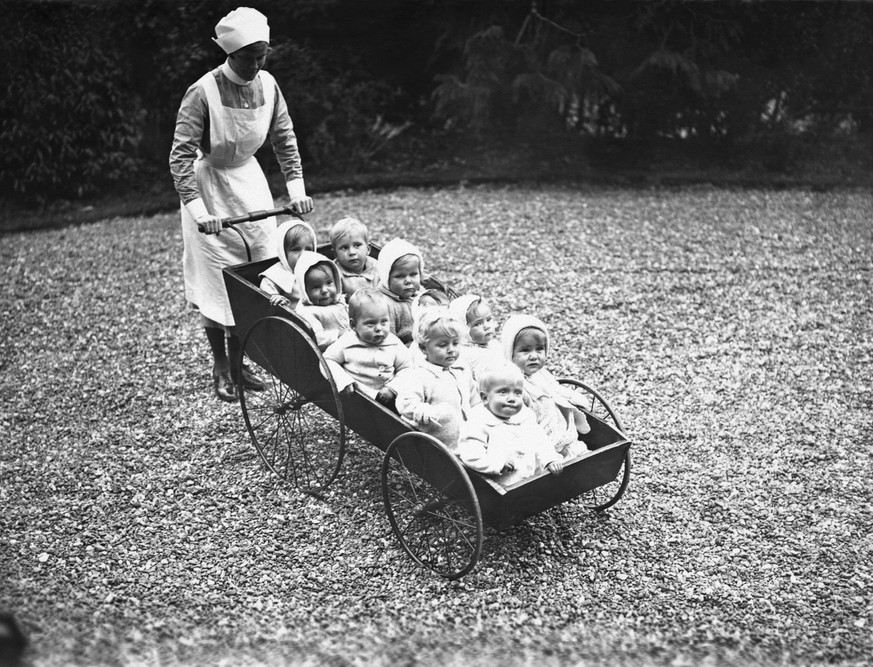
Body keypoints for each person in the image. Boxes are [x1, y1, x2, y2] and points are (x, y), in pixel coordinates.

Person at [169, 7, 313, 403]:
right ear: (230, 53)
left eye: (262, 55)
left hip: (249, 182)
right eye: (248, 57)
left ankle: (242, 360)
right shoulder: (203, 92)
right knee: (219, 279)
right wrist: (200, 213)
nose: (255, 64)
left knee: (258, 269)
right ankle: (222, 366)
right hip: (210, 187)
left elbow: (284, 138)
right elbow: (180, 156)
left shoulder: (269, 84)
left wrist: (296, 189)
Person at [459, 363, 564, 488]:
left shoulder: (525, 416)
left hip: (530, 477)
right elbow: (471, 455)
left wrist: (550, 459)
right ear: (485, 398)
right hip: (501, 483)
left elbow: (540, 440)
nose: (512, 398)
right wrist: (497, 463)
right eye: (503, 392)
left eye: (518, 393)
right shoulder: (478, 422)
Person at [502, 314, 591, 460]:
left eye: (539, 349)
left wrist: (574, 397)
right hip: (537, 433)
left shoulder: (542, 374)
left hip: (556, 423)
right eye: (525, 350)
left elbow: (555, 387)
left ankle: (572, 450)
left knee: (571, 442)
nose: (534, 356)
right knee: (546, 454)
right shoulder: (512, 383)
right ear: (510, 353)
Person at [393, 311, 480, 453]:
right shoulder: (420, 375)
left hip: (465, 431)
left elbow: (474, 397)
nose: (451, 350)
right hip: (437, 436)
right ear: (423, 348)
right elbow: (404, 402)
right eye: (442, 345)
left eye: (455, 343)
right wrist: (425, 412)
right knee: (446, 414)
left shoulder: (461, 369)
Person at [324, 288, 413, 403]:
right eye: (370, 323)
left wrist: (393, 388)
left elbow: (407, 367)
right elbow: (327, 361)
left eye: (384, 321)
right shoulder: (347, 342)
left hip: (388, 398)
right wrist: (343, 382)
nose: (379, 328)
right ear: (353, 325)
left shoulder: (393, 342)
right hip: (358, 397)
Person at [294, 251, 350, 350]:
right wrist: (338, 335)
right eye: (316, 287)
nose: (324, 290)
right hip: (330, 351)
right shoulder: (308, 312)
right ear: (304, 290)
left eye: (329, 283)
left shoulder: (338, 301)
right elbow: (316, 338)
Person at [258, 219, 317, 309]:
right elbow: (268, 296)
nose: (303, 254)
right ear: (283, 253)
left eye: (308, 249)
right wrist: (277, 298)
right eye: (296, 249)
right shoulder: (274, 276)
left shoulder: (318, 268)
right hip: (296, 317)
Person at [376, 238, 424, 346]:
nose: (408, 281)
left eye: (413, 274)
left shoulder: (421, 294)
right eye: (400, 276)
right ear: (386, 278)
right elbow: (389, 339)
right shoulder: (385, 304)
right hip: (404, 349)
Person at [449, 293, 502, 381]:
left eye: (488, 319)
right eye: (477, 324)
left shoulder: (494, 344)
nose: (487, 326)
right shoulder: (469, 355)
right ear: (462, 328)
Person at [329, 216, 379, 298]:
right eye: (344, 247)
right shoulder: (334, 273)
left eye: (357, 245)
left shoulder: (378, 268)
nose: (352, 252)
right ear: (335, 254)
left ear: (368, 249)